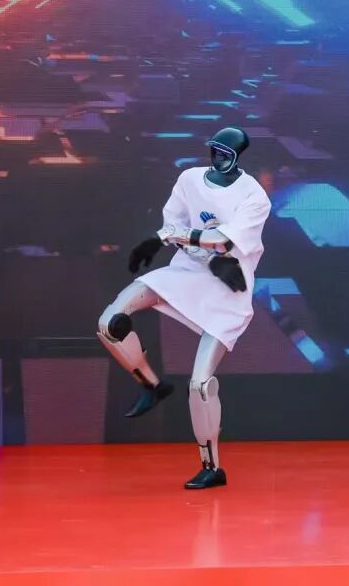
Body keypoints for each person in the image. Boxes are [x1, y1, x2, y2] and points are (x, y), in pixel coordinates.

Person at [96, 126, 271, 489]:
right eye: (215, 150)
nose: (218, 158)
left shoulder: (254, 196)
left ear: (238, 157)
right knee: (110, 322)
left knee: (200, 385)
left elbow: (222, 241)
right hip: (185, 273)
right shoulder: (190, 179)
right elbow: (174, 225)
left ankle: (211, 467)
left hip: (228, 292)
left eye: (226, 153)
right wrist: (179, 245)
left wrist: (179, 240)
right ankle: (152, 385)